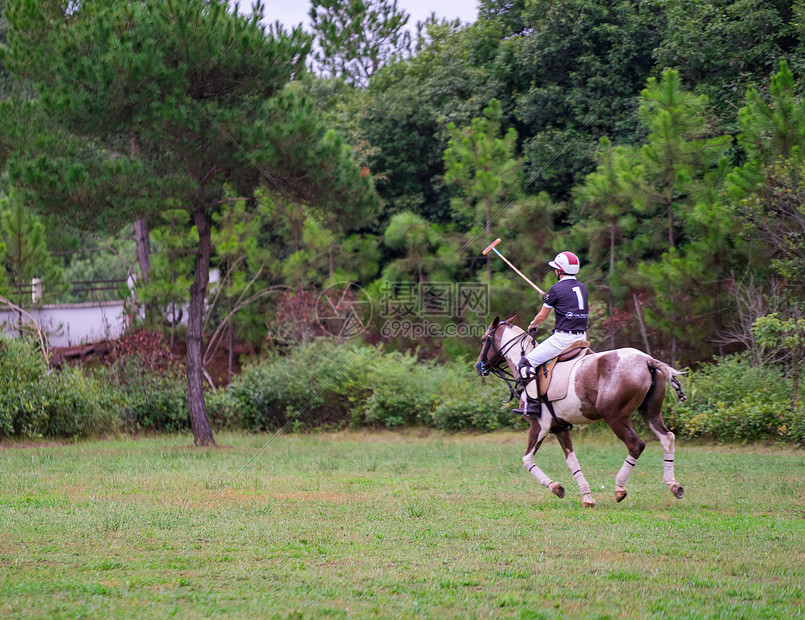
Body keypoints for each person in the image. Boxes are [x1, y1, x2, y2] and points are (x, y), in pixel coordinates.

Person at [519, 251, 588, 379]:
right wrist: (550, 298)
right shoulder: (582, 287)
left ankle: (533, 399)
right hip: (582, 337)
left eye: (556, 269)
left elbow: (541, 317)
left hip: (563, 339)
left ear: (560, 271)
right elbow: (568, 302)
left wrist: (532, 325)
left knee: (525, 364)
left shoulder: (556, 289)